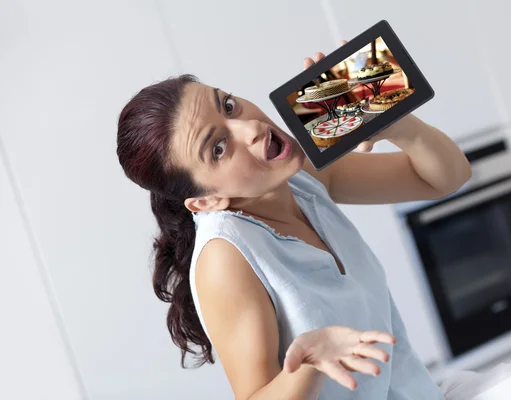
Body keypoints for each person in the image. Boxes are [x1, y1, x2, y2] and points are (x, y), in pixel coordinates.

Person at [116, 42, 472, 399]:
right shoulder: (225, 259)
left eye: (227, 105)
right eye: (218, 148)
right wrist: (309, 362)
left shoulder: (302, 172)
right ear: (207, 200)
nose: (250, 127)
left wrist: (396, 124)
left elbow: (445, 178)